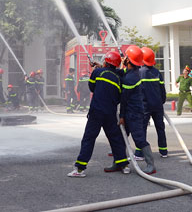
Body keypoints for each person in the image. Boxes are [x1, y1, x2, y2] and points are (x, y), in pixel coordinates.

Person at [67, 50, 129, 178]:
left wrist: (98, 68)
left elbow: (92, 88)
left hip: (96, 111)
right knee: (115, 138)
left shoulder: (97, 72)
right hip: (110, 113)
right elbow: (119, 97)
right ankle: (124, 165)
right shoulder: (119, 78)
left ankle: (80, 169)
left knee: (89, 139)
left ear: (106, 62)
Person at [120, 45, 155, 174]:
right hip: (134, 111)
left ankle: (151, 165)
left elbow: (124, 100)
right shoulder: (132, 72)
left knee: (139, 139)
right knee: (120, 137)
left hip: (133, 113)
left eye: (126, 57)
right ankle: (119, 162)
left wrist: (121, 116)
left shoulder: (130, 78)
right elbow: (121, 72)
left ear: (128, 60)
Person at [139, 47, 168, 159]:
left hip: (145, 106)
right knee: (160, 128)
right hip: (157, 106)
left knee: (142, 129)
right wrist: (161, 101)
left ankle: (140, 153)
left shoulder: (140, 73)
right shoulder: (157, 72)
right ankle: (164, 151)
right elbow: (162, 89)